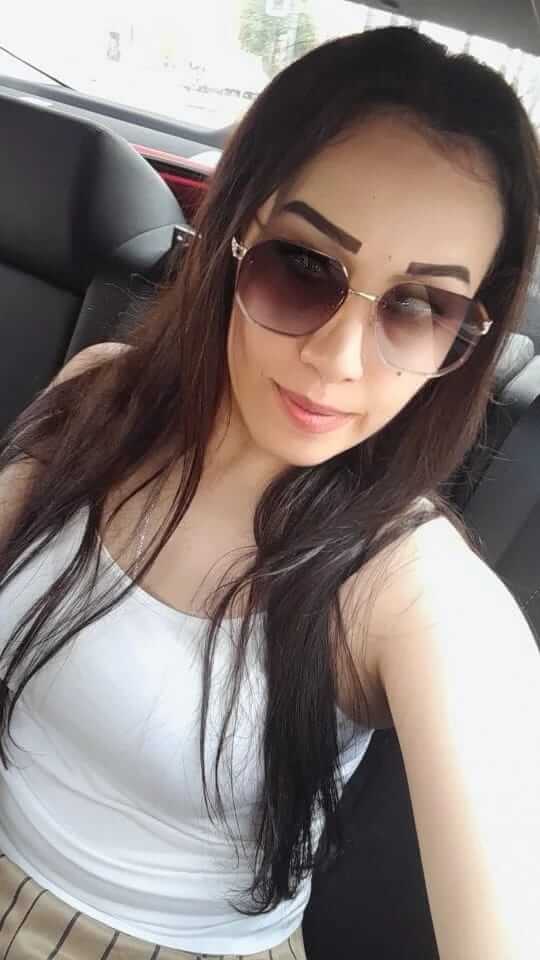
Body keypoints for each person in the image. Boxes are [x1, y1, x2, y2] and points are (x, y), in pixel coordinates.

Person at [0, 25, 539, 960]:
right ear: (232, 236)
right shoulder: (97, 394)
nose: (338, 359)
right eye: (304, 265)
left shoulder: (416, 594)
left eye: (420, 306)